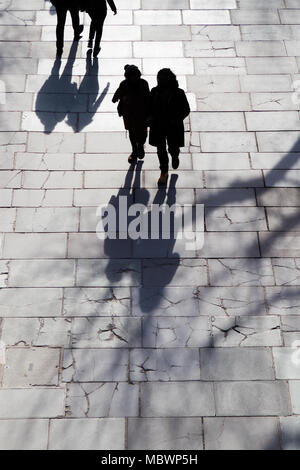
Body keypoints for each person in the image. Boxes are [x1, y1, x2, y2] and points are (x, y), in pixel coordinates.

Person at [149, 68, 190, 186]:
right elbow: (150, 107)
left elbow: (186, 110)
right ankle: (164, 171)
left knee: (173, 147)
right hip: (158, 125)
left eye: (162, 78)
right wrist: (150, 118)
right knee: (160, 150)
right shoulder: (155, 91)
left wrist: (176, 119)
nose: (160, 80)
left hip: (173, 126)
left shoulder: (179, 93)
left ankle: (175, 155)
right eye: (159, 78)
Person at [112, 65, 150, 163]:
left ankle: (140, 145)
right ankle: (134, 151)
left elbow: (148, 98)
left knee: (142, 133)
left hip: (141, 113)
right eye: (133, 76)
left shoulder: (143, 83)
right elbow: (118, 92)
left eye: (137, 75)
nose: (135, 78)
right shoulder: (124, 84)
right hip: (129, 113)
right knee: (132, 133)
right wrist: (117, 98)